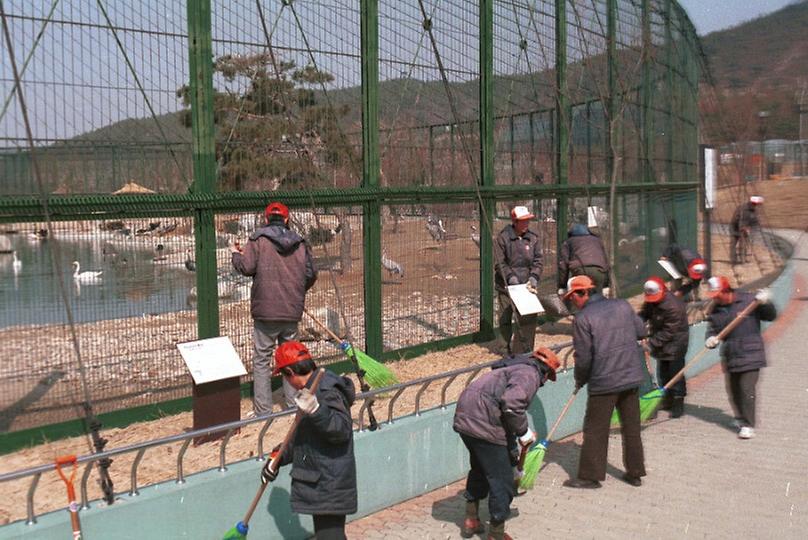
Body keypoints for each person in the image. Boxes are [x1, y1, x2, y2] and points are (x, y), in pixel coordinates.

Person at [453, 347, 560, 540]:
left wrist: (513, 449)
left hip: (465, 417)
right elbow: (511, 404)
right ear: (546, 373)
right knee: (501, 481)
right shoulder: (530, 374)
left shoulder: (512, 368)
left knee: (479, 468)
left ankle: (471, 519)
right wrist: (524, 432)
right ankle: (496, 534)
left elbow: (504, 408)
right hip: (484, 422)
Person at [260, 341, 356, 539]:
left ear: (289, 372)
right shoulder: (310, 390)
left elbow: (341, 430)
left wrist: (316, 410)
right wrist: (276, 459)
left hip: (329, 482)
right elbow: (302, 436)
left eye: (284, 377)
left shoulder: (324, 391)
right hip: (321, 479)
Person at [232, 201, 318, 415]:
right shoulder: (300, 242)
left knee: (262, 359)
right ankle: (293, 405)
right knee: (291, 359)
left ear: (266, 218)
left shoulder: (258, 240)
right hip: (291, 309)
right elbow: (310, 274)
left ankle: (263, 411)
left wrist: (236, 254)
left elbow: (247, 267)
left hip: (266, 312)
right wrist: (297, 292)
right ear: (287, 219)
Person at [562, 275, 647, 489]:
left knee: (595, 429)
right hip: (630, 376)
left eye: (572, 297)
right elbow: (641, 331)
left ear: (583, 293)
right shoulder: (622, 305)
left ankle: (591, 476)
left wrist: (580, 379)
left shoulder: (582, 319)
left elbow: (584, 357)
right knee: (632, 426)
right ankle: (635, 473)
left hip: (604, 381)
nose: (572, 302)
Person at [705, 276, 776, 439]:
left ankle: (748, 425)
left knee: (746, 389)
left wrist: (766, 302)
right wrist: (711, 339)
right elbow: (712, 330)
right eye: (713, 295)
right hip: (731, 355)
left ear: (726, 291)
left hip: (751, 353)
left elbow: (770, 316)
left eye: (717, 294)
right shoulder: (715, 311)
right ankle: (739, 417)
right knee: (734, 390)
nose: (715, 298)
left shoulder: (749, 301)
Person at [494, 205, 544, 354]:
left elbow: (538, 260)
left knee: (528, 318)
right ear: (515, 221)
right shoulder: (503, 238)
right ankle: (504, 349)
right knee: (505, 318)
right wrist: (510, 277)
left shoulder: (533, 238)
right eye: (523, 221)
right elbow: (499, 263)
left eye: (528, 220)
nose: (526, 224)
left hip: (527, 286)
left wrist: (534, 277)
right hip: (507, 286)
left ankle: (524, 349)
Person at [639, 276, 689, 418]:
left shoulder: (673, 306)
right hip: (662, 343)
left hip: (675, 344)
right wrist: (636, 324)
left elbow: (669, 332)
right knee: (663, 373)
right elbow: (644, 314)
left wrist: (651, 344)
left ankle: (678, 402)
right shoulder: (652, 302)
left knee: (675, 374)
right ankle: (667, 400)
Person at [557, 223, 610, 295]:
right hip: (599, 271)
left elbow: (563, 265)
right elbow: (605, 261)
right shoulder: (597, 240)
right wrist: (606, 284)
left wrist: (562, 285)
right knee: (598, 298)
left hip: (580, 270)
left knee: (581, 296)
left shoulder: (569, 242)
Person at [730, 195, 763, 265]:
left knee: (743, 245)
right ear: (752, 203)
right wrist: (743, 228)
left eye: (757, 204)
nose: (756, 206)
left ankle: (743, 260)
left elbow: (755, 222)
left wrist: (751, 229)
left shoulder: (754, 211)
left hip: (745, 229)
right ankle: (733, 261)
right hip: (735, 228)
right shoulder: (743, 209)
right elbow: (737, 220)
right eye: (755, 204)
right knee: (733, 244)